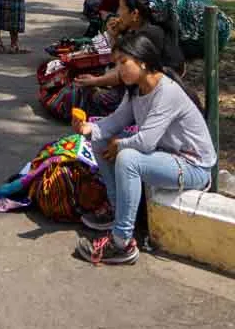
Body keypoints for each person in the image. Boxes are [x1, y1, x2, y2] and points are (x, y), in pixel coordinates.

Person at [73, 32, 215, 266]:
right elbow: (116, 121)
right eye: (116, 63)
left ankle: (121, 244)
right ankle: (118, 211)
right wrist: (89, 129)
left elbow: (146, 141)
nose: (118, 69)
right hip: (166, 156)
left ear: (143, 61)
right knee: (100, 140)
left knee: (128, 158)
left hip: (193, 167)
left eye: (123, 62)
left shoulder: (166, 91)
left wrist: (119, 144)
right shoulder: (136, 89)